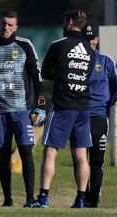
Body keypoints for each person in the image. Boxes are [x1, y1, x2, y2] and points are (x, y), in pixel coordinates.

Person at [0, 10, 45, 208]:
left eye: (10, 25)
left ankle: (30, 199)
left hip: (21, 110)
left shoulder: (24, 45)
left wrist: (40, 106)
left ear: (16, 27)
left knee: (26, 152)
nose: (6, 27)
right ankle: (7, 200)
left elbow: (36, 76)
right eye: (4, 23)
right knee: (3, 156)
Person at [36, 9, 95, 208]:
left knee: (50, 151)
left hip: (62, 105)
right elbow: (88, 76)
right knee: (81, 155)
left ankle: (43, 198)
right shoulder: (89, 50)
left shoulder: (58, 45)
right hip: (83, 106)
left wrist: (63, 76)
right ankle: (80, 199)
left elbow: (45, 72)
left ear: (69, 22)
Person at [71, 24, 117, 208]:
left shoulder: (106, 61)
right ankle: (81, 196)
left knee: (97, 161)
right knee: (79, 158)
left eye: (92, 40)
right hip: (78, 116)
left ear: (96, 40)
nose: (90, 43)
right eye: (86, 40)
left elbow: (115, 85)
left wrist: (108, 102)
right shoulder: (75, 61)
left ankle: (94, 198)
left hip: (98, 116)